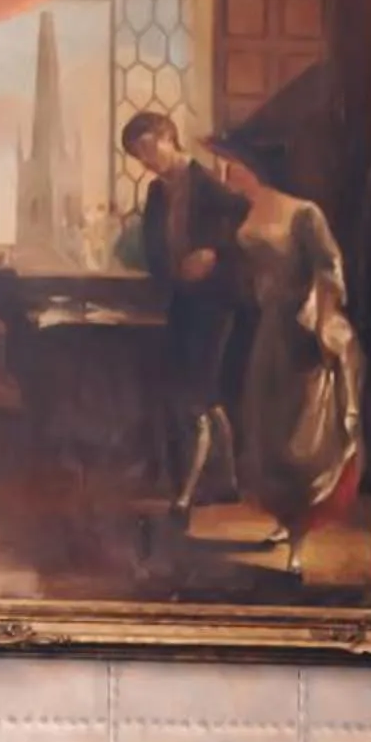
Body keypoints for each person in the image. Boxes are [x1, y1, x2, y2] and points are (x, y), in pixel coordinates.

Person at [206, 129, 364, 576]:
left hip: (303, 331)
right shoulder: (243, 213)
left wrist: (324, 320)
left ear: (252, 166)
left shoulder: (303, 213)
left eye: (230, 162)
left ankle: (299, 539)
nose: (224, 171)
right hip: (266, 331)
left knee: (302, 440)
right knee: (267, 432)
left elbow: (329, 267)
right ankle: (284, 521)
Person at [119, 109, 265, 528]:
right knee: (197, 394)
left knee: (195, 398)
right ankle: (230, 478)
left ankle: (185, 495)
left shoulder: (211, 185)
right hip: (182, 303)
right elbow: (152, 250)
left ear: (169, 138)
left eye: (148, 148)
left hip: (218, 301)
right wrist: (171, 271)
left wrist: (214, 254)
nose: (146, 160)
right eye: (137, 154)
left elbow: (250, 229)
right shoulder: (155, 193)